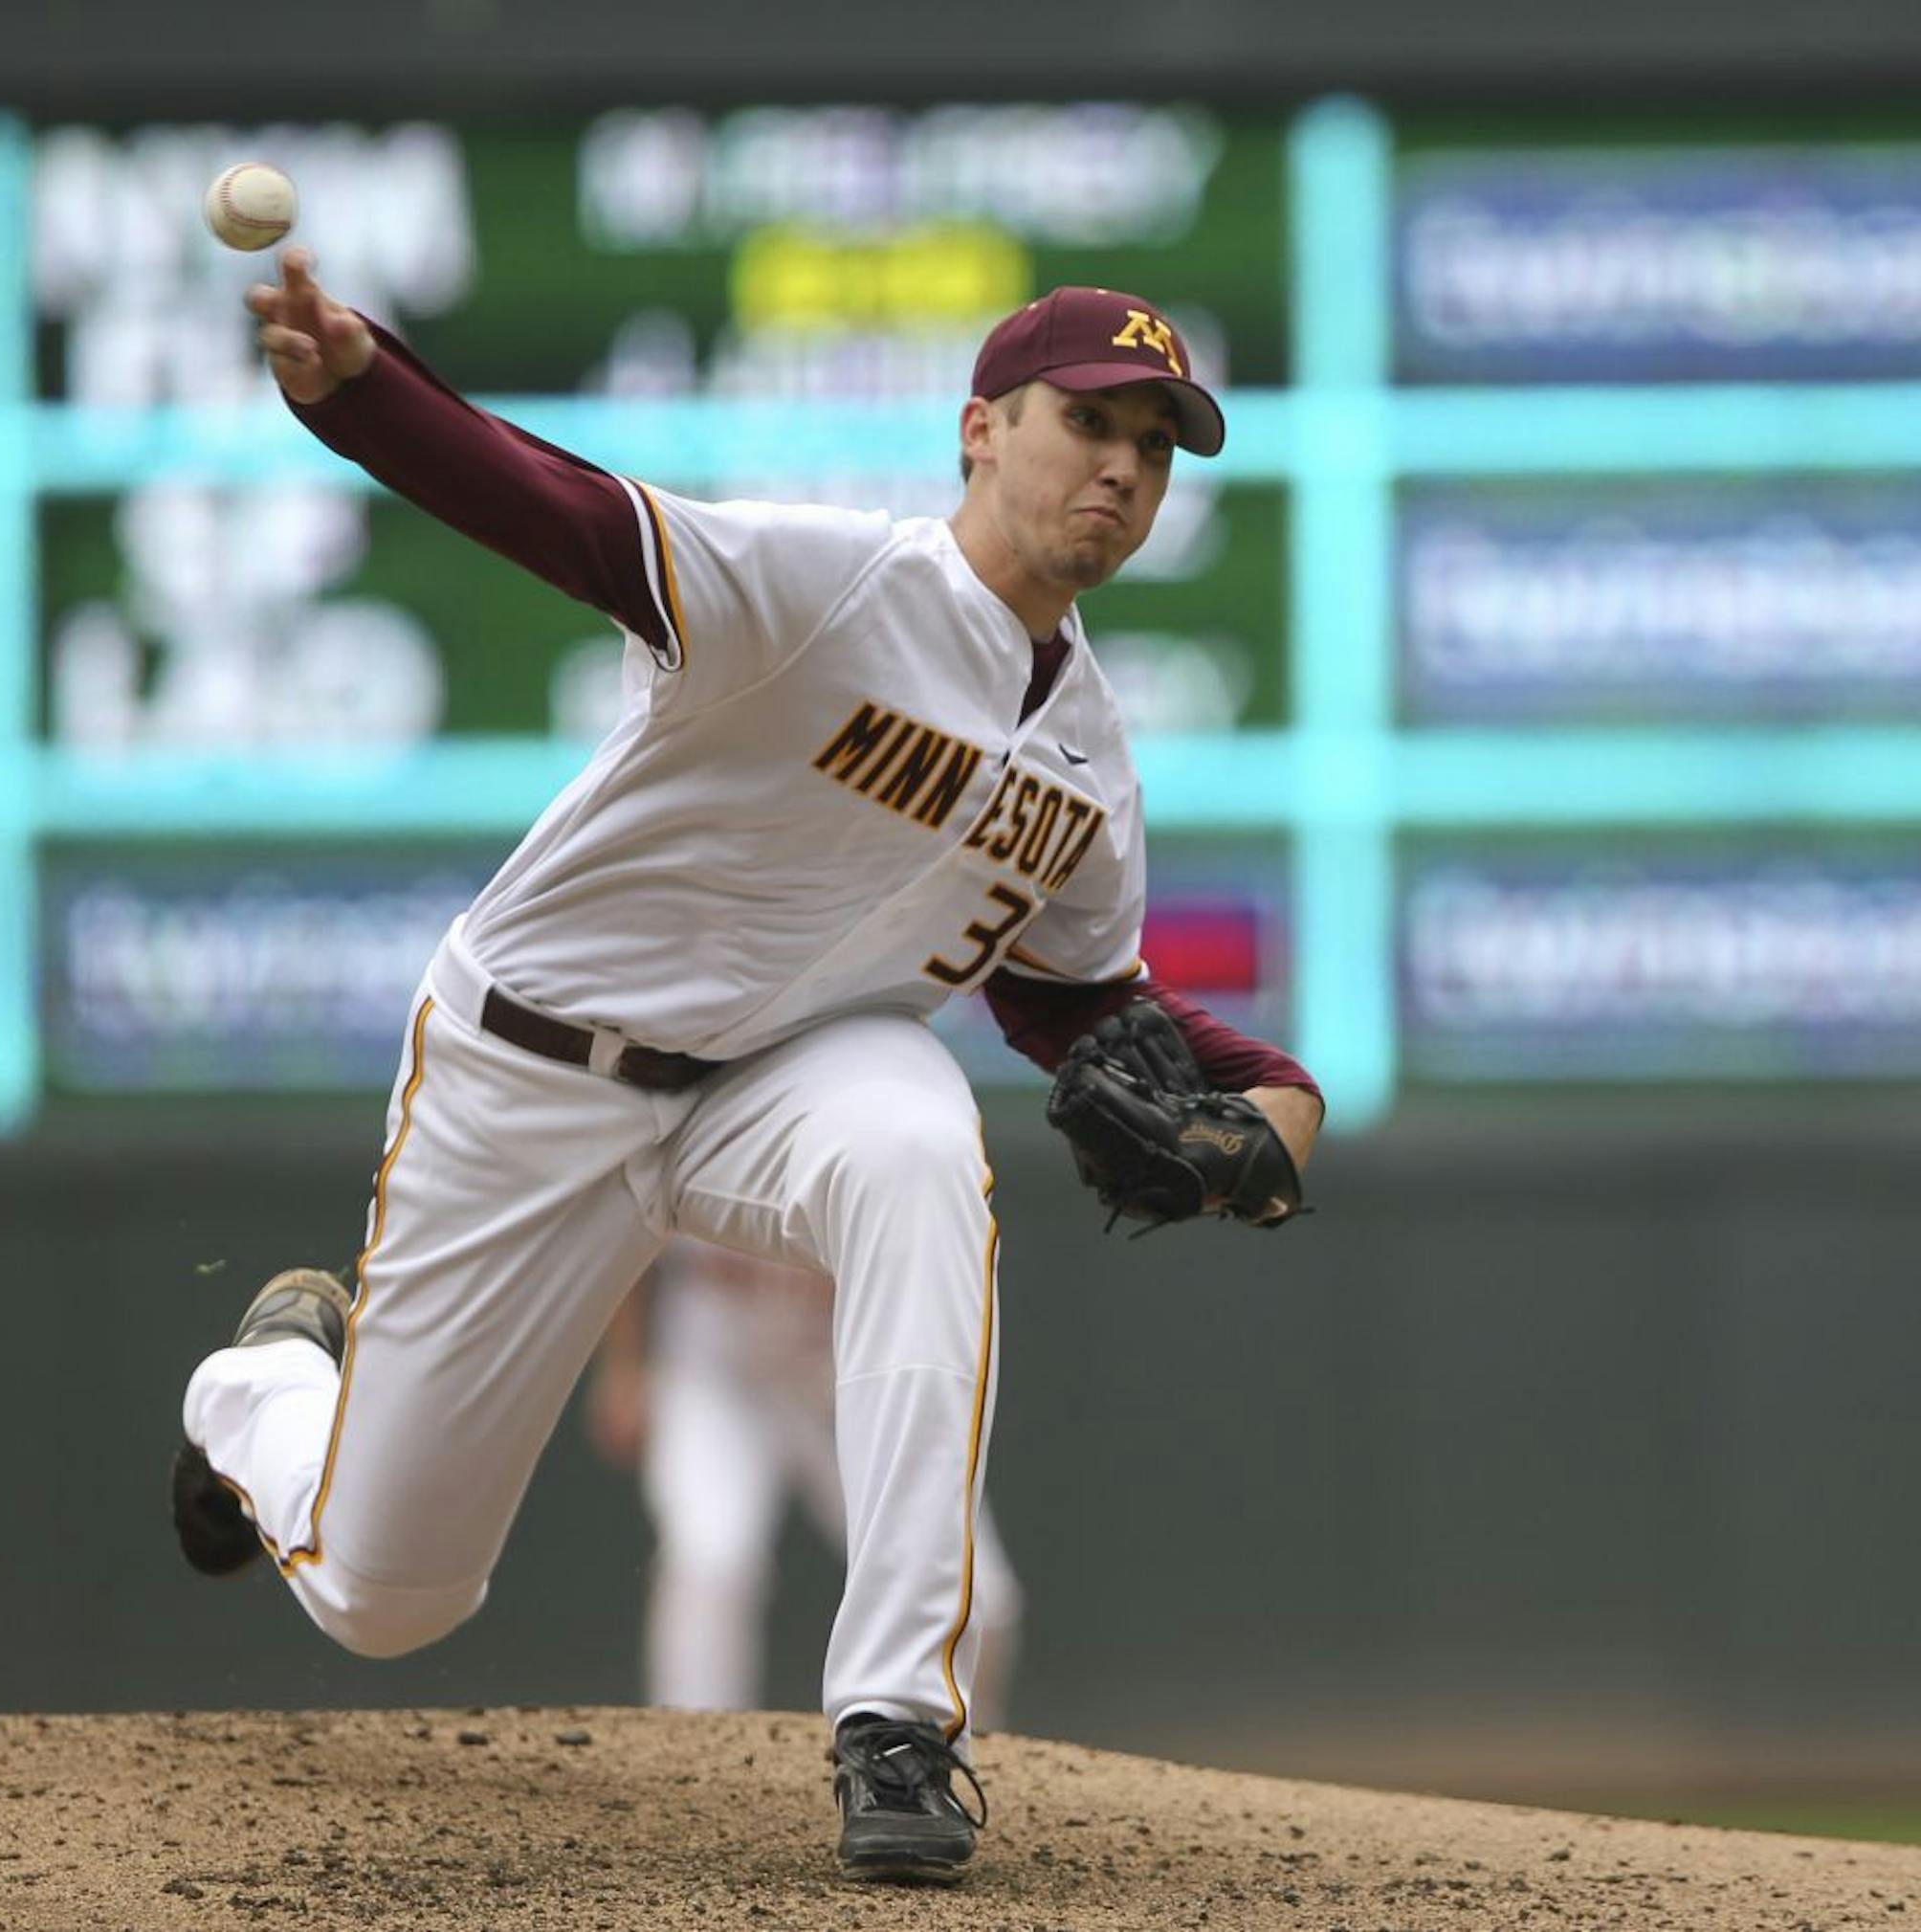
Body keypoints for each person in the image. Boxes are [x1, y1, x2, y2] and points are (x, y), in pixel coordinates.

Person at [171, 253, 1324, 1886]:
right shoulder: (830, 584)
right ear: (982, 429)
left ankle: (898, 1723)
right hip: (534, 1073)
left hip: (768, 1090)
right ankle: (265, 1385)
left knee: (921, 1138)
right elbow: (559, 514)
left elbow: (1084, 1013)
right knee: (388, 1594)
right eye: (1091, 419)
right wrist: (366, 392)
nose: (1125, 465)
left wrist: (1283, 1102)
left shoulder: (1089, 766)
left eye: (1158, 439)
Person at [586, 1237, 1023, 1724]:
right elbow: (629, 1230)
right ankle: (691, 1750)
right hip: (718, 1378)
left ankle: (962, 1750)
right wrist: (623, 1365)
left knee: (981, 1593)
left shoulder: (895, 1164)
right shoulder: (686, 1156)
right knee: (711, 1564)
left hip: (846, 1381)